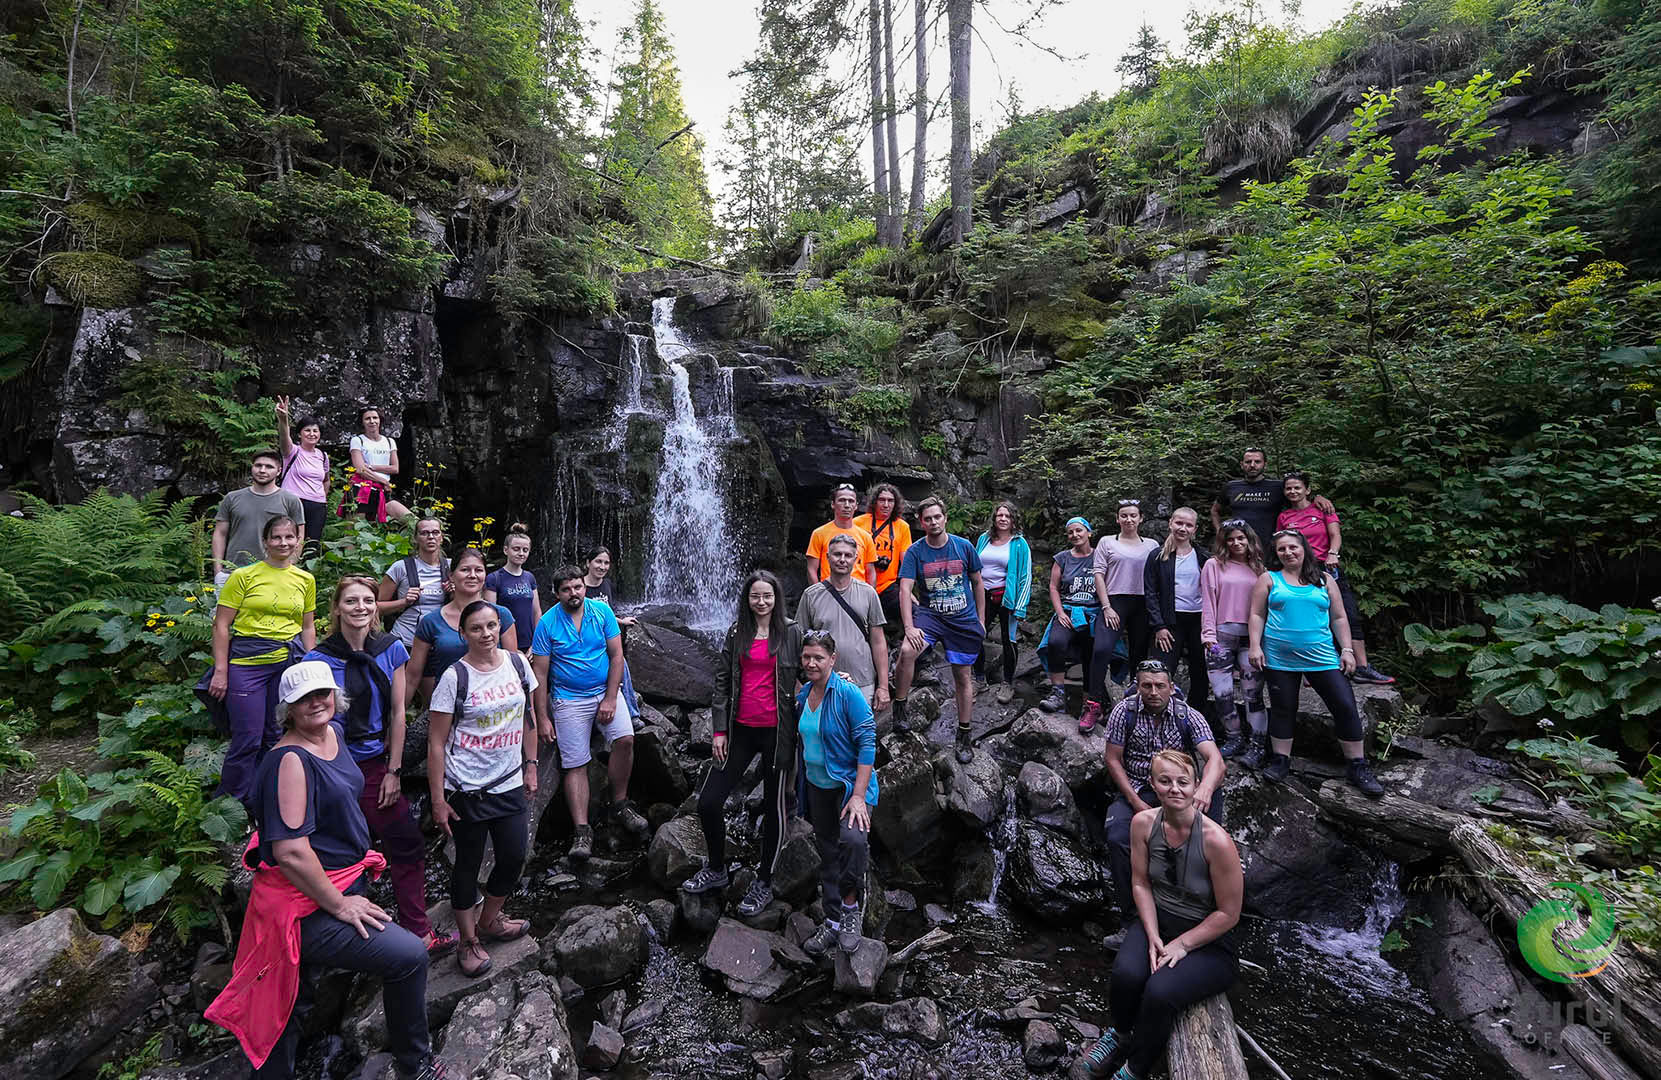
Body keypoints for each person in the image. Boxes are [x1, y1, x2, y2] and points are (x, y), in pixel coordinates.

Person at [205, 661, 443, 1080]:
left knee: (295, 997)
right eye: (304, 698)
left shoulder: (332, 734)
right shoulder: (290, 761)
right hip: (306, 904)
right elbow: (292, 851)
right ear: (287, 709)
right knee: (408, 957)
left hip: (339, 881)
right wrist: (341, 906)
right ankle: (416, 1067)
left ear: (335, 697)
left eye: (323, 694)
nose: (317, 703)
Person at [305, 578, 455, 958]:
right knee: (340, 848)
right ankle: (341, 938)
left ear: (377, 607)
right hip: (331, 765)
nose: (360, 607)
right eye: (351, 601)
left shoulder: (390, 649)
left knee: (405, 841)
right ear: (336, 608)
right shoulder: (317, 660)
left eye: (368, 601)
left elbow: (399, 713)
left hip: (374, 761)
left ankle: (418, 931)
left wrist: (394, 770)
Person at [1078, 749, 1242, 1080]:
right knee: (1125, 975)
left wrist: (1182, 944)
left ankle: (1136, 1068)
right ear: (1153, 784)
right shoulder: (1142, 824)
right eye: (1165, 781)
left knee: (1159, 991)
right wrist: (1152, 933)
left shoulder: (1217, 842)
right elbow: (1139, 883)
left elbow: (1229, 913)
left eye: (1183, 782)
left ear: (1196, 786)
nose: (1174, 789)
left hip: (1209, 942)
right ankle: (1121, 1036)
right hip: (1159, 920)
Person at [427, 601, 538, 978]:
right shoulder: (454, 678)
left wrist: (533, 765)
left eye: (492, 626)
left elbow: (529, 718)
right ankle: (467, 939)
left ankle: (490, 918)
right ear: (464, 634)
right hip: (466, 789)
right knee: (468, 865)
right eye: (477, 628)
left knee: (513, 856)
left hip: (508, 781)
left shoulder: (519, 664)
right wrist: (439, 800)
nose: (487, 634)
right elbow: (436, 743)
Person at [683, 571, 804, 917]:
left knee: (774, 807)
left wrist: (834, 677)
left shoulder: (791, 632)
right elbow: (722, 680)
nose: (761, 602)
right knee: (708, 802)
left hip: (777, 732)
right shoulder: (738, 633)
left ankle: (764, 881)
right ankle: (718, 868)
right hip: (739, 730)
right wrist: (718, 730)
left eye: (767, 596)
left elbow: (812, 665)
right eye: (755, 596)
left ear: (776, 598)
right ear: (747, 600)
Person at [1248, 530, 1386, 796]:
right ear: (1275, 554)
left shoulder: (1324, 580)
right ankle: (1280, 760)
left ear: (1304, 549)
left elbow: (1339, 617)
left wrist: (1347, 650)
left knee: (1344, 705)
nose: (1288, 553)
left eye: (1293, 548)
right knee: (1283, 708)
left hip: (1322, 656)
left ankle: (1357, 765)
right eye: (1281, 549)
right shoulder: (1269, 579)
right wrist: (1255, 646)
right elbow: (1256, 614)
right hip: (1279, 657)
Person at [530, 566, 649, 861]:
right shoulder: (546, 624)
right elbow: (540, 674)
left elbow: (616, 656)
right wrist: (542, 717)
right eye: (567, 589)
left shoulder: (602, 612)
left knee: (625, 739)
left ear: (585, 587)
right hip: (568, 699)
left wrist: (611, 698)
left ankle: (619, 804)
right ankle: (582, 830)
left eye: (578, 587)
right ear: (557, 594)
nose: (574, 593)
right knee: (575, 763)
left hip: (604, 691)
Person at [204, 516, 316, 809]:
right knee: (248, 737)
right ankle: (231, 804)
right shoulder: (244, 576)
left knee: (275, 734)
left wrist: (311, 666)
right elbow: (222, 625)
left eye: (289, 537)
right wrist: (221, 670)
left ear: (297, 541)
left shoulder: (305, 580)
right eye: (276, 537)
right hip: (246, 662)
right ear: (265, 542)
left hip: (286, 663)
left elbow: (307, 627)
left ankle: (268, 800)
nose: (283, 543)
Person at [1101, 661, 1224, 916]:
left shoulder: (1187, 715)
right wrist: (1135, 802)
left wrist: (1205, 790)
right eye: (1146, 686)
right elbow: (1113, 758)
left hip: (1177, 790)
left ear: (1171, 687)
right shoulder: (1124, 712)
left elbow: (1215, 761)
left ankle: (1201, 909)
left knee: (1202, 841)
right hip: (1138, 787)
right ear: (1137, 687)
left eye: (1159, 686)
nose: (1153, 692)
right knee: (1117, 836)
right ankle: (1132, 916)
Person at [795, 631, 880, 957]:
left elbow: (867, 742)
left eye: (818, 657)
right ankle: (831, 922)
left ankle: (850, 910)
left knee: (854, 841)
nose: (812, 663)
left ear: (833, 659)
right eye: (807, 657)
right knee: (828, 850)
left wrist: (858, 796)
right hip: (817, 787)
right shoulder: (804, 695)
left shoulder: (847, 694)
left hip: (848, 787)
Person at [890, 497, 986, 763]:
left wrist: (980, 620)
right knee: (908, 651)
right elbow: (905, 589)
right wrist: (909, 626)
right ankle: (900, 707)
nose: (933, 522)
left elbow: (978, 583)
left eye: (937, 517)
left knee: (963, 677)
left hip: (962, 617)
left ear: (944, 517)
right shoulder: (916, 551)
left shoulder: (964, 547)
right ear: (921, 523)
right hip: (931, 615)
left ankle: (964, 735)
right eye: (927, 518)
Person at [1277, 472, 1393, 684]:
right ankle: (1313, 669)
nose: (1293, 492)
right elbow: (1280, 543)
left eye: (1297, 488)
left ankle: (1361, 667)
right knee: (1309, 617)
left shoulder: (1322, 509)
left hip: (1326, 566)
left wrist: (1333, 552)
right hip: (1299, 569)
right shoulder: (1284, 517)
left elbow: (1335, 534)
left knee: (1348, 613)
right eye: (1288, 489)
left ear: (1307, 490)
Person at [407, 548, 518, 707]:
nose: (472, 575)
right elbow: (412, 676)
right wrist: (396, 718)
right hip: (448, 708)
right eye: (465, 569)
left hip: (495, 705)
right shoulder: (430, 621)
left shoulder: (502, 615)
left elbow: (512, 669)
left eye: (478, 570)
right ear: (451, 576)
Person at [1085, 500, 1160, 732]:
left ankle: (1135, 703)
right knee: (1101, 649)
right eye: (1124, 516)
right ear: (1117, 519)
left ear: (1140, 519)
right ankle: (1093, 704)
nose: (1129, 520)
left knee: (1138, 653)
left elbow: (1159, 577)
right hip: (1114, 600)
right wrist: (1106, 606)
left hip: (1142, 602)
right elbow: (1098, 574)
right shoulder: (1107, 542)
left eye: (1133, 515)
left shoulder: (1152, 545)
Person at [796, 535, 890, 710]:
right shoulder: (811, 595)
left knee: (859, 734)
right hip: (821, 682)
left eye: (847, 555)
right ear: (827, 557)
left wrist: (883, 686)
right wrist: (797, 683)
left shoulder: (868, 593)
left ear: (856, 558)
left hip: (862, 681)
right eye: (837, 554)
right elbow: (796, 641)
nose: (842, 559)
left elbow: (878, 642)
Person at [1201, 521, 1268, 766]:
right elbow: (1208, 600)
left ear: (1249, 540)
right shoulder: (1214, 565)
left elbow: (1264, 607)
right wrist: (1208, 634)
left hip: (1251, 639)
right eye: (1230, 539)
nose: (1236, 543)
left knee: (1253, 694)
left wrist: (1259, 642)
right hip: (1221, 637)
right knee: (1222, 693)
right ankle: (1234, 737)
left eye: (1241, 538)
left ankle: (1257, 745)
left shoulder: (1259, 568)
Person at [1144, 508, 1211, 719]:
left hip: (1198, 620)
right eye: (1179, 523)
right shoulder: (1157, 556)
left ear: (1195, 529)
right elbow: (1150, 593)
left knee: (1200, 670)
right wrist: (1159, 626)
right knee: (1163, 670)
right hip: (1169, 621)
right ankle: (1160, 715)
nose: (1183, 528)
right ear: (1170, 523)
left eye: (1188, 525)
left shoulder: (1203, 557)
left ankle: (1195, 717)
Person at [213, 449, 306, 587]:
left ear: (279, 471)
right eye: (258, 465)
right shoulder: (232, 498)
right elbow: (220, 534)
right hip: (232, 571)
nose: (262, 470)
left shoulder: (290, 500)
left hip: (274, 572)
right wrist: (218, 570)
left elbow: (299, 537)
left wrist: (289, 566)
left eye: (269, 467)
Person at [1208, 446, 1333, 548]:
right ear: (1242, 464)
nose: (1252, 465)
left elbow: (1299, 499)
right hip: (1238, 546)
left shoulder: (1278, 487)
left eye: (1257, 462)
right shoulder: (1231, 487)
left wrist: (1317, 497)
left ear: (1264, 464)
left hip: (1269, 546)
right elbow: (1215, 510)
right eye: (1248, 462)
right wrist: (1220, 531)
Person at [1039, 516, 1099, 717]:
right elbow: (1053, 587)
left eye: (1079, 530)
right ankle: (1058, 693)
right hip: (1068, 610)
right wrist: (1060, 613)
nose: (1075, 535)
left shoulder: (1100, 556)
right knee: (1056, 642)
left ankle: (1088, 704)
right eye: (1071, 532)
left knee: (1091, 653)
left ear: (1088, 532)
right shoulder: (1062, 558)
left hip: (1093, 612)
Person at [974, 501, 1032, 705]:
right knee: (975, 635)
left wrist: (1021, 605)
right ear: (994, 518)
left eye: (1007, 516)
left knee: (1009, 640)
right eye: (1000, 515)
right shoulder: (984, 539)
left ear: (1013, 519)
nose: (1003, 519)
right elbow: (973, 567)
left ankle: (1007, 683)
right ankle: (979, 678)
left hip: (1006, 597)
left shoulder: (1019, 543)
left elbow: (1025, 575)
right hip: (982, 596)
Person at [379, 516, 451, 649]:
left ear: (442, 537)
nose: (430, 537)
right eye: (424, 533)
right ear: (416, 538)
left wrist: (454, 594)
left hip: (443, 642)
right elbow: (375, 607)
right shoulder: (400, 567)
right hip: (406, 640)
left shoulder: (453, 568)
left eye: (435, 532)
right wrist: (404, 602)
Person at [275, 397, 329, 561]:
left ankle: (306, 577)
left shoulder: (322, 455)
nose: (312, 434)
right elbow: (284, 438)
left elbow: (325, 479)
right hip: (294, 501)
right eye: (307, 430)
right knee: (289, 539)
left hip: (317, 505)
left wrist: (323, 498)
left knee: (312, 544)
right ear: (300, 434)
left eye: (315, 431)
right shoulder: (292, 451)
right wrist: (283, 419)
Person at [339, 405, 411, 522]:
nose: (372, 421)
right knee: (355, 533)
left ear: (380, 420)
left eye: (375, 418)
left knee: (411, 521)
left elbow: (395, 468)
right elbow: (360, 469)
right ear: (362, 422)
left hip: (383, 491)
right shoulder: (358, 440)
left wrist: (372, 467)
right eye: (367, 419)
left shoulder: (389, 441)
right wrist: (383, 480)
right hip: (361, 490)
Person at [854, 483, 912, 624]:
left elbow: (907, 563)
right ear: (874, 502)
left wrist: (908, 593)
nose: (886, 504)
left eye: (890, 500)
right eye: (882, 500)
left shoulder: (902, 527)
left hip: (887, 586)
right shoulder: (858, 523)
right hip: (859, 584)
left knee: (915, 612)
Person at [806, 483, 878, 587]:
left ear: (856, 505)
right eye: (842, 500)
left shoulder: (866, 537)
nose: (847, 505)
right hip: (829, 591)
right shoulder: (819, 533)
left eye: (851, 501)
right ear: (833, 504)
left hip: (858, 593)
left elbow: (870, 572)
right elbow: (811, 569)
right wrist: (818, 594)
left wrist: (870, 596)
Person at [484, 523, 542, 645]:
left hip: (530, 642)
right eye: (516, 549)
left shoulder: (529, 577)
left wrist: (537, 643)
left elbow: (537, 612)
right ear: (506, 550)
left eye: (525, 550)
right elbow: (489, 616)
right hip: (505, 642)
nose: (521, 553)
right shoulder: (494, 578)